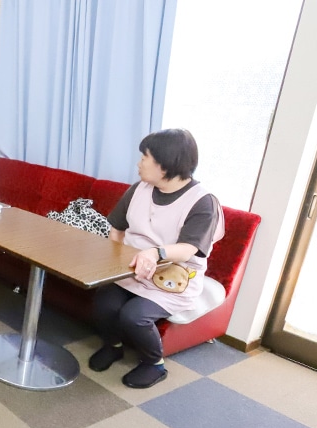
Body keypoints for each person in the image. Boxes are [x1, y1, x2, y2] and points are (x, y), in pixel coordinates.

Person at [88, 128, 224, 389]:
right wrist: (115, 259)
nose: (139, 162)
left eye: (144, 157)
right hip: (131, 269)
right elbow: (116, 227)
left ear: (165, 165)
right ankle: (113, 346)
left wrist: (156, 252)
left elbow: (189, 249)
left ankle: (154, 363)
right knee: (104, 303)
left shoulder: (202, 202)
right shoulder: (139, 189)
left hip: (171, 279)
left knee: (134, 316)